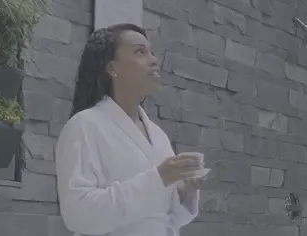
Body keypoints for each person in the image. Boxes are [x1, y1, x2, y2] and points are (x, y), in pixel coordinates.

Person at [55, 23, 204, 236]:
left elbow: (167, 219)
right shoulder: (84, 126)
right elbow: (78, 215)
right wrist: (158, 178)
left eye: (152, 52)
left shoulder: (158, 135)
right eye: (140, 52)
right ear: (112, 68)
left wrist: (184, 192)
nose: (154, 60)